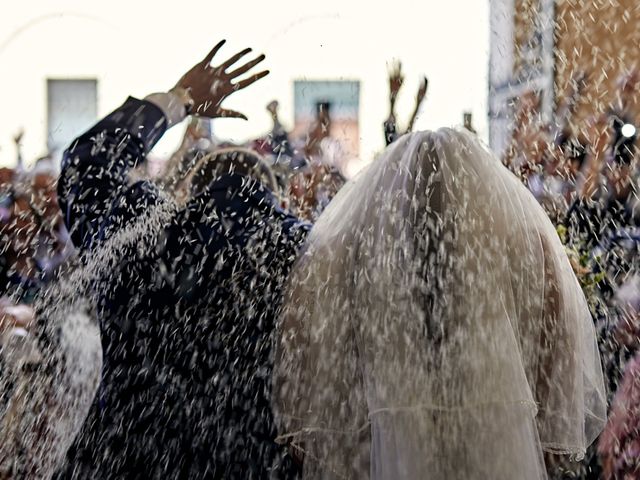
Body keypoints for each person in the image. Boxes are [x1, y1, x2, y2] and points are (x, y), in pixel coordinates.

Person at [273, 129, 606, 479]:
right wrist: (537, 435)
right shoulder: (521, 247)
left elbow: (315, 358)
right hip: (500, 445)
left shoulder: (365, 256)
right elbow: (557, 347)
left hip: (396, 450)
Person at [53, 40, 309, 479]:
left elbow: (88, 164)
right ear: (278, 199)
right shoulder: (303, 251)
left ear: (188, 192)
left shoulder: (139, 230)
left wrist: (180, 100)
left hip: (118, 462)